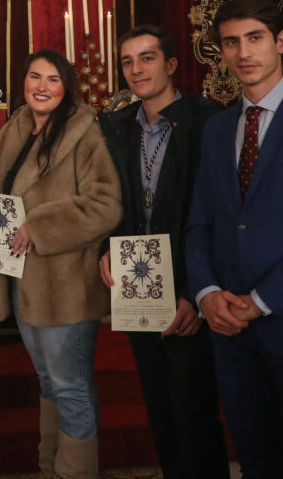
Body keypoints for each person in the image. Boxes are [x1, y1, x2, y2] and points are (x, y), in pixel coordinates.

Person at [186, 0, 283, 479]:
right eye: (231, 42)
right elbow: (200, 223)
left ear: (281, 42)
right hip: (231, 336)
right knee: (256, 466)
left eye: (255, 38)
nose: (243, 52)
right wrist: (206, 293)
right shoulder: (217, 129)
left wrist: (262, 300)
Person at [0, 49, 121, 479]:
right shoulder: (16, 127)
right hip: (25, 282)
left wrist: (38, 227)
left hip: (66, 286)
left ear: (67, 87)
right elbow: (4, 198)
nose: (42, 87)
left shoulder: (86, 132)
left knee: (71, 387)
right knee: (48, 382)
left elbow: (105, 205)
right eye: (35, 77)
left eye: (53, 79)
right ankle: (50, 470)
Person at [97, 25, 229, 479]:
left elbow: (218, 213)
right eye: (128, 61)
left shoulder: (207, 122)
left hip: (189, 283)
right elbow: (110, 201)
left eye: (147, 58)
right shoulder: (117, 127)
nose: (136, 69)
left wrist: (196, 293)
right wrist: (107, 248)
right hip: (138, 284)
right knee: (160, 409)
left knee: (193, 411)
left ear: (171, 64)